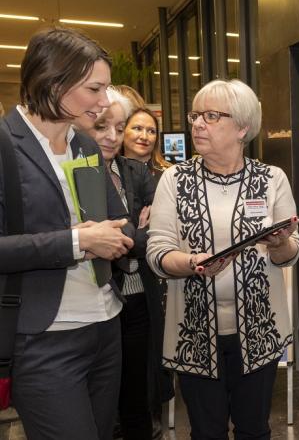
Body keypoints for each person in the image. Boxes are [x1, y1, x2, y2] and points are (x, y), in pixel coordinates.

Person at [146, 79, 299, 440]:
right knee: (206, 432)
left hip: (260, 330)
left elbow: (292, 251)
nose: (198, 123)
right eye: (196, 115)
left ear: (242, 128)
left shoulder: (271, 179)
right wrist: (190, 263)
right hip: (194, 333)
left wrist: (279, 244)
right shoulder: (174, 179)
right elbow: (157, 251)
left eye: (212, 116)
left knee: (254, 429)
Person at [0, 27, 134, 440]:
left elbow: (117, 224)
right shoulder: (5, 145)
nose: (103, 101)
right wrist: (78, 242)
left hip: (105, 327)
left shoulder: (86, 147)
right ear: (54, 81)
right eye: (94, 88)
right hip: (43, 340)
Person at [85, 87, 167, 440]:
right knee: (102, 403)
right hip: (100, 299)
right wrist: (137, 229)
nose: (112, 137)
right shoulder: (81, 173)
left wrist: (128, 235)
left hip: (139, 300)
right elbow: (104, 238)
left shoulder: (134, 170)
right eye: (103, 127)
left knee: (138, 396)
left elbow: (159, 232)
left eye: (119, 128)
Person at [122, 107, 171, 180]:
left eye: (151, 131)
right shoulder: (110, 172)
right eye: (137, 128)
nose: (144, 137)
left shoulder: (169, 175)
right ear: (122, 131)